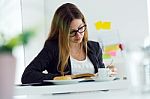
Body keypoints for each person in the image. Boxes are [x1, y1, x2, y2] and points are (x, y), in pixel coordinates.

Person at [21, 3, 116, 84]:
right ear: (61, 32)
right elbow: (27, 75)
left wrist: (107, 73)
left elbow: (104, 87)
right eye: (72, 32)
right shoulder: (53, 48)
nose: (78, 35)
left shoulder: (95, 47)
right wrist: (57, 78)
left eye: (81, 28)